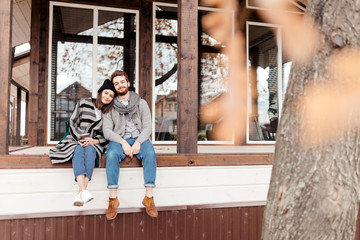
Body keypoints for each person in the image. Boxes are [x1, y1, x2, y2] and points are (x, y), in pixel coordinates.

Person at [49, 79, 116, 207]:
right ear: (100, 92)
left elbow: (108, 134)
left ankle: (81, 192)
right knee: (78, 150)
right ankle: (83, 190)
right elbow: (72, 122)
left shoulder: (108, 114)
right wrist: (80, 138)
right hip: (76, 138)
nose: (107, 97)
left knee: (90, 151)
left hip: (95, 142)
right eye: (106, 93)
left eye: (111, 96)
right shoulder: (84, 103)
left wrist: (94, 141)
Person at [103, 70, 158, 220]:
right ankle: (113, 199)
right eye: (116, 84)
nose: (119, 85)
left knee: (150, 154)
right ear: (114, 87)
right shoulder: (110, 106)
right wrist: (123, 142)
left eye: (122, 82)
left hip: (140, 138)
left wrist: (139, 142)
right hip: (119, 140)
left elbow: (147, 127)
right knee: (112, 154)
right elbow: (107, 131)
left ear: (128, 83)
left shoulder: (141, 103)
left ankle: (149, 197)